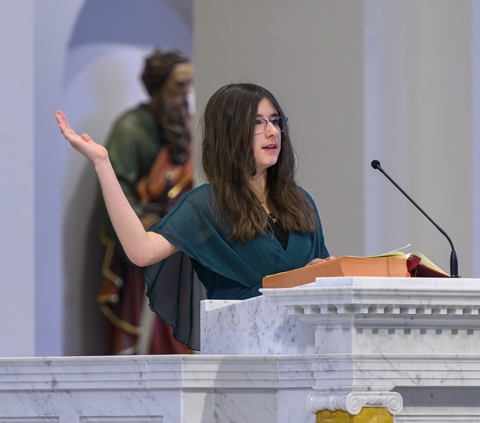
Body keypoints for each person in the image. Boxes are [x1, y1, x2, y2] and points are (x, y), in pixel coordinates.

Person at [57, 83, 333, 350]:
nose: (272, 131)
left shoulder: (300, 202)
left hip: (309, 352)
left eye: (275, 120)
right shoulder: (207, 205)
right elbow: (141, 251)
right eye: (258, 122)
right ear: (230, 133)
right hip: (243, 355)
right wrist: (103, 164)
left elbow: (322, 274)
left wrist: (329, 271)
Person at [96, 48, 195, 356]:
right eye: (179, 85)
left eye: (189, 85)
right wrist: (142, 222)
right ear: (158, 87)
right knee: (151, 337)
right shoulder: (131, 128)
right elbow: (116, 188)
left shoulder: (184, 126)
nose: (185, 94)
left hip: (179, 244)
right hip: (149, 243)